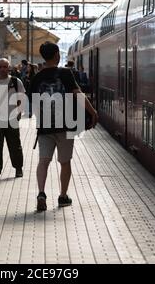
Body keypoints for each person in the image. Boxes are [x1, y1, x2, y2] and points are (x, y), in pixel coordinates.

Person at [30, 42, 98, 212]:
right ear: (56, 55)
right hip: (66, 126)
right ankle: (63, 196)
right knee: (65, 162)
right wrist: (93, 112)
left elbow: (32, 103)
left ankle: (41, 193)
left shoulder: (36, 77)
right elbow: (78, 95)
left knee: (43, 161)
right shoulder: (65, 73)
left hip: (45, 127)